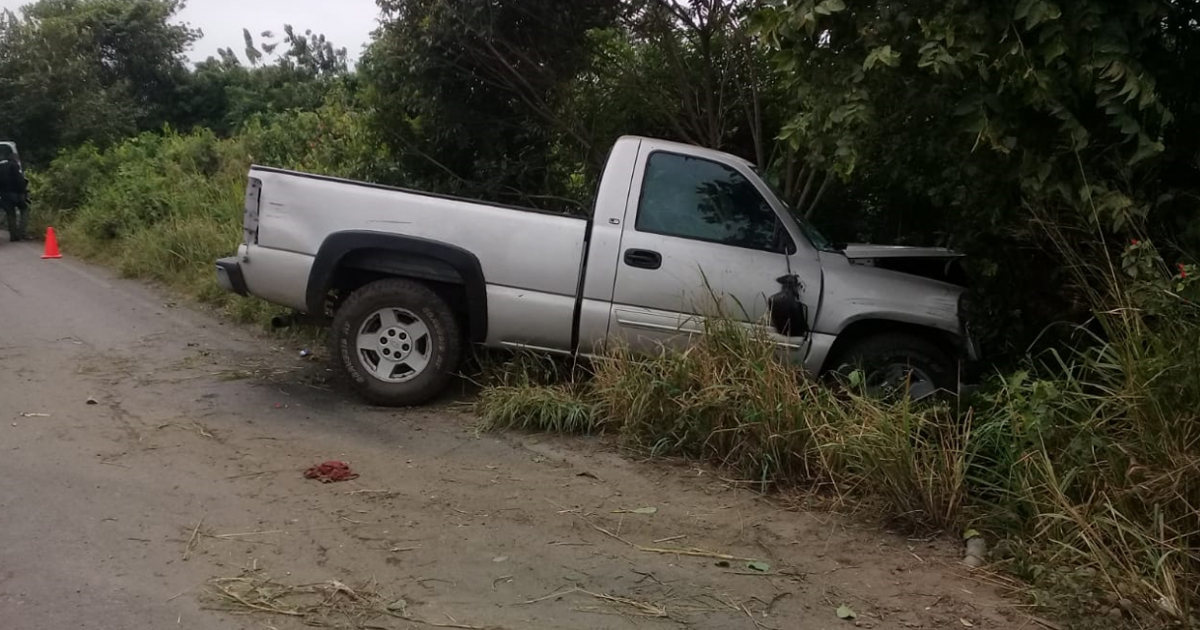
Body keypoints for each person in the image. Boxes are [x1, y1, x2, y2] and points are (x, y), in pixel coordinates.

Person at [0, 143, 29, 242]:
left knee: (10, 214)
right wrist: (23, 192)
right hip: (16, 193)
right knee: (24, 210)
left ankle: (13, 235)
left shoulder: (1, 167)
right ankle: (23, 233)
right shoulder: (14, 166)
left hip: (5, 195)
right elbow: (19, 180)